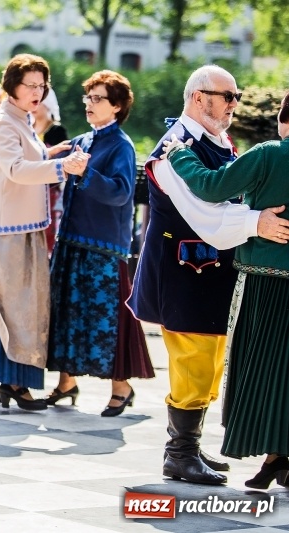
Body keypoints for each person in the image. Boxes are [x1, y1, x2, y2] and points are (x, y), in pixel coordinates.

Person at [128, 64, 289, 485]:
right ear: (199, 97)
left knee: (208, 364)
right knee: (192, 365)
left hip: (208, 272)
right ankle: (178, 454)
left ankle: (189, 449)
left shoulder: (216, 140)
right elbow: (203, 215)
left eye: (236, 96)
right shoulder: (172, 147)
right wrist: (257, 223)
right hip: (182, 272)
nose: (234, 104)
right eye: (227, 95)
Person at [0, 54, 88, 410]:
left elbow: (17, 162)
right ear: (12, 86)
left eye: (41, 85)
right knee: (14, 309)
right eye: (30, 85)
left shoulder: (18, 118)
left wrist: (49, 153)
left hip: (9, 226)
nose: (37, 91)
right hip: (6, 230)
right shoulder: (4, 121)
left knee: (2, 308)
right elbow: (16, 169)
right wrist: (61, 166)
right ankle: (14, 383)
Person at [45, 70, 154, 416]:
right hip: (71, 241)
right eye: (87, 98)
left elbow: (122, 193)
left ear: (117, 106)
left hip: (105, 249)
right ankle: (66, 382)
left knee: (109, 320)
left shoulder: (122, 145)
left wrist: (85, 173)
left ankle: (121, 388)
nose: (90, 105)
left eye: (98, 99)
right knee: (65, 312)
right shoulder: (83, 140)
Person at [34, 90, 69, 253]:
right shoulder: (27, 127)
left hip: (49, 192)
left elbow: (60, 162)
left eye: (40, 102)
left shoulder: (56, 131)